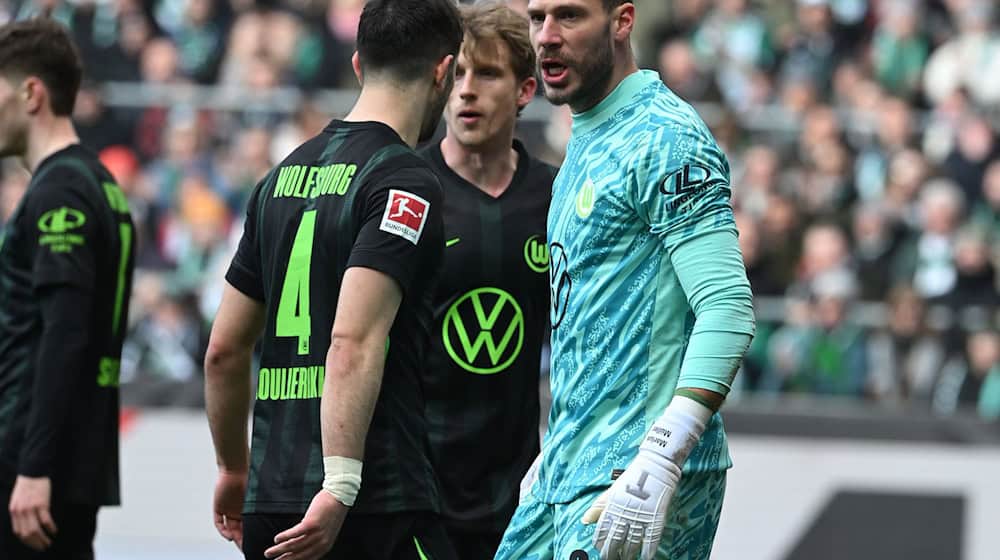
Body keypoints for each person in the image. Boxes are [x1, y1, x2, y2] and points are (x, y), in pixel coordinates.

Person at [202, 1, 463, 559]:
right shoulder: (406, 179)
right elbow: (353, 340)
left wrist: (231, 466)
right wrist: (339, 484)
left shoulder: (280, 176)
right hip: (367, 505)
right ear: (443, 72)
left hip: (270, 502)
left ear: (357, 65)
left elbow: (223, 350)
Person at [496, 1, 756, 559]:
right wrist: (559, 446)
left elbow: (728, 309)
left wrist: (663, 456)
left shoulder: (665, 136)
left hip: (634, 470)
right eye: (537, 17)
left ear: (622, 21)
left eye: (568, 16)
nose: (546, 37)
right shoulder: (588, 135)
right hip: (569, 468)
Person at [418, 3, 556, 559]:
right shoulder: (406, 190)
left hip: (523, 497)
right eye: (457, 74)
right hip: (419, 495)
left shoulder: (557, 197)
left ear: (525, 91)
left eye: (488, 73)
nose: (466, 91)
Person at [0, 18, 136, 560]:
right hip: (71, 457)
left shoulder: (62, 191)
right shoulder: (98, 183)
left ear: (31, 93)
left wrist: (33, 467)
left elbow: (66, 335)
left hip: (34, 470)